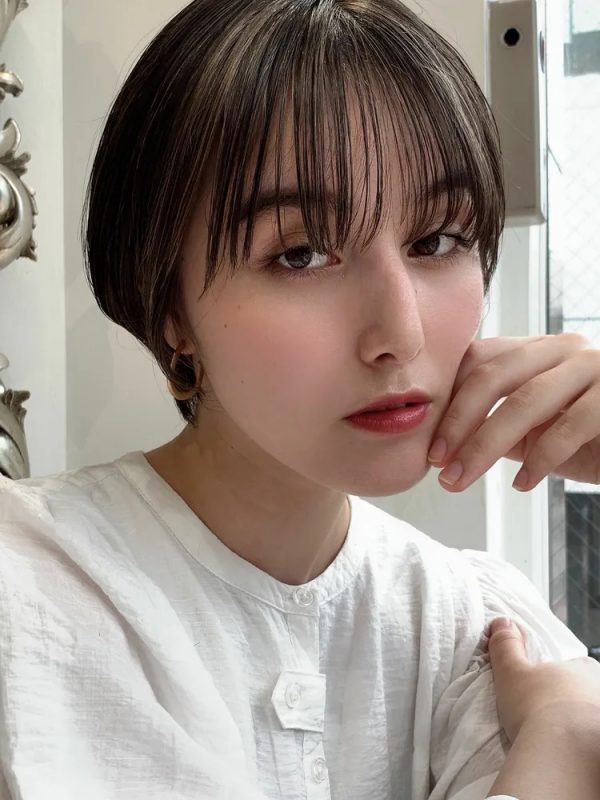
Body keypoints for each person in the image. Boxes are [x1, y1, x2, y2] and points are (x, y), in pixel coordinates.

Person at [0, 0, 599, 798]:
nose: (400, 333)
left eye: (436, 241)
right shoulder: (27, 592)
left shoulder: (481, 630)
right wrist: (559, 747)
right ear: (168, 304)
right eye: (301, 253)